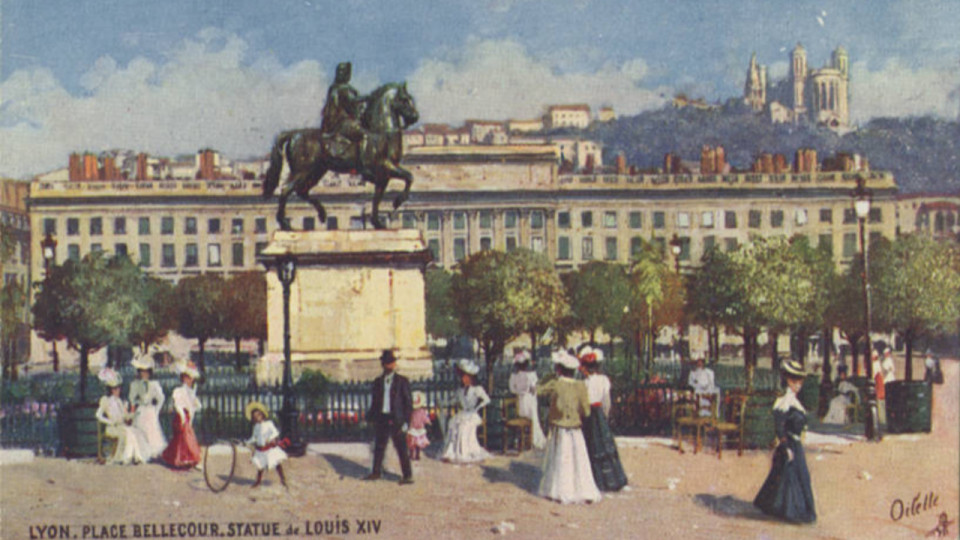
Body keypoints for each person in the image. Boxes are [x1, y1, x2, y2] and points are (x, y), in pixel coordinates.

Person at [754, 359, 816, 523]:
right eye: (795, 381)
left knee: (798, 477)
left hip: (795, 444)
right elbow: (780, 427)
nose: (798, 385)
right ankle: (791, 511)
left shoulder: (795, 401)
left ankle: (791, 510)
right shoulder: (784, 401)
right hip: (789, 445)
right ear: (788, 381)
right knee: (790, 477)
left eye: (800, 382)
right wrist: (786, 446)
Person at [537, 349, 601, 504]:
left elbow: (538, 390)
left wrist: (551, 377)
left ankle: (560, 491)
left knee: (561, 461)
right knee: (577, 461)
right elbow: (586, 411)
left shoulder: (556, 384)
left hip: (559, 428)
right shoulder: (580, 386)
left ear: (559, 370)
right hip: (575, 429)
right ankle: (580, 490)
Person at [578, 346, 627, 492]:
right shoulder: (603, 380)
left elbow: (583, 403)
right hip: (599, 413)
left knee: (592, 446)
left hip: (590, 414)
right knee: (604, 446)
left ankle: (597, 480)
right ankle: (611, 480)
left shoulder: (585, 384)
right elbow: (606, 400)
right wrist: (605, 414)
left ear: (587, 368)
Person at [366, 350, 414, 484]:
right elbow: (375, 402)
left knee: (401, 447)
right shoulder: (378, 382)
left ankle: (407, 475)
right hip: (382, 417)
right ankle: (376, 472)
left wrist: (406, 422)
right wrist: (371, 417)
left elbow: (408, 403)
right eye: (386, 363)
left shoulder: (402, 381)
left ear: (394, 364)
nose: (388, 366)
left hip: (396, 417)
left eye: (390, 363)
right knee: (379, 446)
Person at [320, 61, 370, 175]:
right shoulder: (342, 88)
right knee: (364, 134)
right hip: (341, 122)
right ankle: (363, 164)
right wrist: (366, 98)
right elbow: (351, 101)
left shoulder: (337, 88)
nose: (341, 74)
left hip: (338, 122)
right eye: (340, 71)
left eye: (343, 72)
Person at [440, 359, 491, 464]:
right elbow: (453, 400)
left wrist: (477, 407)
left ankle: (466, 452)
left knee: (464, 427)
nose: (464, 379)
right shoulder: (460, 391)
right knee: (453, 425)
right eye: (463, 377)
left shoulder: (477, 389)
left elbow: (487, 400)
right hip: (463, 414)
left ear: (471, 378)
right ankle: (452, 452)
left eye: (466, 377)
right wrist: (444, 402)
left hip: (473, 415)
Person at [95, 368, 148, 465]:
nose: (117, 391)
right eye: (115, 389)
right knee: (127, 433)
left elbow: (124, 416)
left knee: (135, 432)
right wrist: (110, 421)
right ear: (110, 390)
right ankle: (122, 457)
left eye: (118, 388)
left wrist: (132, 414)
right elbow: (98, 415)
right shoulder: (106, 400)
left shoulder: (120, 401)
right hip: (111, 427)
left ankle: (135, 456)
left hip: (121, 425)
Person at [162, 360, 203, 469]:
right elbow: (178, 405)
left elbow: (196, 405)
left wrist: (195, 404)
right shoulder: (179, 390)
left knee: (182, 440)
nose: (189, 381)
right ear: (183, 378)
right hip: (181, 417)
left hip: (187, 417)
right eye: (187, 378)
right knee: (188, 437)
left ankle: (181, 458)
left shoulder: (190, 392)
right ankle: (195, 458)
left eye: (190, 378)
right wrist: (183, 416)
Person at [128, 352, 166, 459]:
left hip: (150, 410)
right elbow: (131, 398)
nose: (144, 374)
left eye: (146, 372)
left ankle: (153, 452)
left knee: (152, 431)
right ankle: (143, 453)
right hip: (141, 410)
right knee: (141, 431)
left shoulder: (154, 384)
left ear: (149, 373)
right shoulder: (135, 384)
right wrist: (134, 408)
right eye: (142, 372)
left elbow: (161, 398)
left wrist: (157, 410)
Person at [244, 401, 288, 488]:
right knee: (260, 466)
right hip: (261, 449)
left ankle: (283, 479)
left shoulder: (269, 424)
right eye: (255, 417)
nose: (257, 418)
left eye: (258, 415)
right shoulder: (256, 427)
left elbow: (275, 432)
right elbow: (254, 437)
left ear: (262, 415)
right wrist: (247, 442)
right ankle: (258, 481)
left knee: (276, 463)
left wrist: (271, 438)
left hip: (269, 448)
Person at [508, 349, 546, 449]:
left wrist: (523, 391)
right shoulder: (515, 376)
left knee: (533, 417)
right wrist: (522, 392)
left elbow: (534, 389)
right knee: (529, 416)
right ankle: (524, 440)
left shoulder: (531, 374)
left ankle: (531, 439)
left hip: (527, 399)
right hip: (523, 399)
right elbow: (512, 388)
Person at [406, 391, 431, 461]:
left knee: (414, 443)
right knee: (414, 443)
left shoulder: (414, 411)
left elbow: (425, 418)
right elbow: (425, 418)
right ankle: (414, 454)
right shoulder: (418, 411)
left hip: (416, 428)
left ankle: (415, 454)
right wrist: (428, 422)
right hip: (415, 428)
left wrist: (428, 421)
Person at [871, 351, 887, 425]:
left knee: (879, 402)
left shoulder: (875, 364)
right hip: (878, 384)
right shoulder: (876, 364)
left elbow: (873, 375)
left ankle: (881, 420)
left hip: (878, 385)